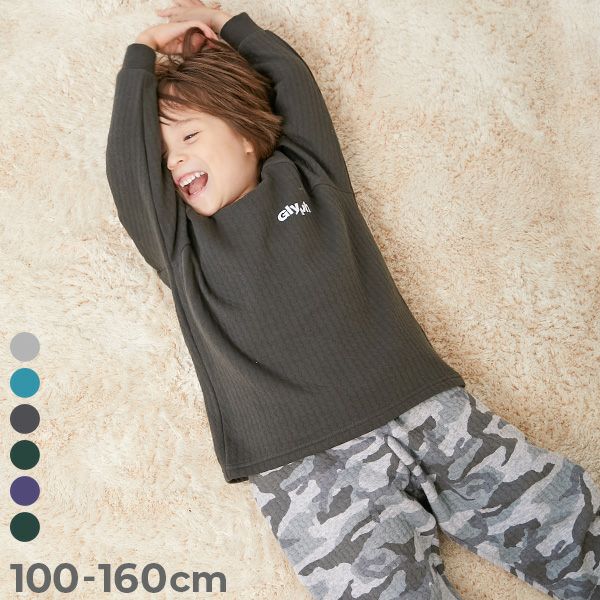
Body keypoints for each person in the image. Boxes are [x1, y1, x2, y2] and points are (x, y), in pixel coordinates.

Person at [105, 1, 600, 598]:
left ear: (246, 135)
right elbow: (129, 171)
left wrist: (228, 28)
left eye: (189, 135)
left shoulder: (309, 174)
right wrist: (140, 52)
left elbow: (292, 81)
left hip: (420, 404)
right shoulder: (182, 244)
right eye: (165, 157)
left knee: (561, 518)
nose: (176, 159)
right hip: (304, 467)